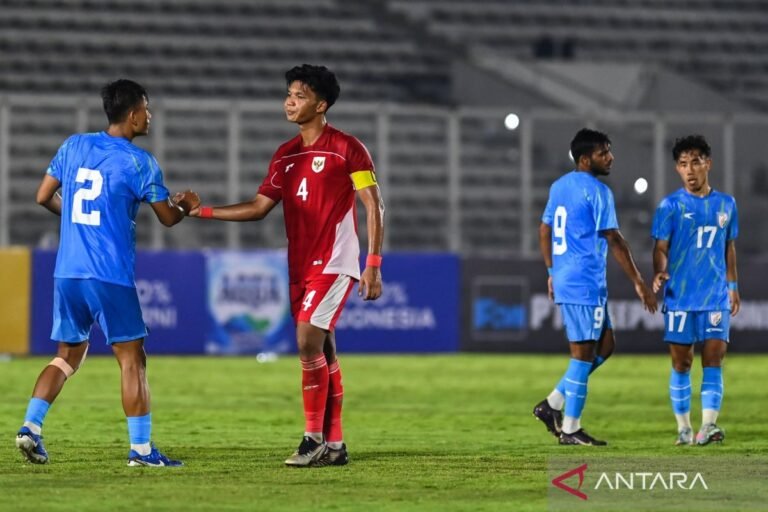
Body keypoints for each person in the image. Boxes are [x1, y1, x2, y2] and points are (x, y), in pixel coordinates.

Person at [189, 64, 385, 467]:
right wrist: (202, 211)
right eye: (289, 95)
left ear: (321, 104)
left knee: (306, 340)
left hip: (335, 261)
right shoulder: (285, 154)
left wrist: (373, 263)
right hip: (298, 266)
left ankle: (312, 439)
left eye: (300, 96)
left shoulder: (347, 147)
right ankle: (335, 445)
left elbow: (374, 204)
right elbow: (259, 207)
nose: (290, 102)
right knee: (323, 348)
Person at [16, 79, 199, 467]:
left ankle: (31, 427)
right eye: (146, 109)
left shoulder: (74, 145)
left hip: (68, 272)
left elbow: (42, 195)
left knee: (66, 355)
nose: (149, 115)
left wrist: (78, 219)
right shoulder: (140, 162)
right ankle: (142, 451)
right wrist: (186, 204)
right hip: (108, 274)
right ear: (132, 115)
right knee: (133, 359)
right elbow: (167, 218)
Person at [533, 128, 657, 445]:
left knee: (605, 346)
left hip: (575, 279)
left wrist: (551, 271)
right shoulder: (598, 192)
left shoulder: (559, 186)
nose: (611, 157)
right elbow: (614, 238)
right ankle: (570, 429)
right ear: (586, 159)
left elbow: (545, 229)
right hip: (582, 282)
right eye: (604, 153)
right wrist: (639, 282)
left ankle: (552, 404)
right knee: (583, 355)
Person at [651, 135, 739, 446]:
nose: (690, 170)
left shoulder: (727, 204)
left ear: (708, 164)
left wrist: (733, 286)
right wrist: (659, 270)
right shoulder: (669, 206)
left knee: (714, 359)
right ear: (677, 168)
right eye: (683, 164)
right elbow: (660, 247)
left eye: (695, 162)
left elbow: (729, 247)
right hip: (680, 296)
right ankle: (684, 429)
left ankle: (708, 427)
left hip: (714, 295)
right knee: (681, 363)